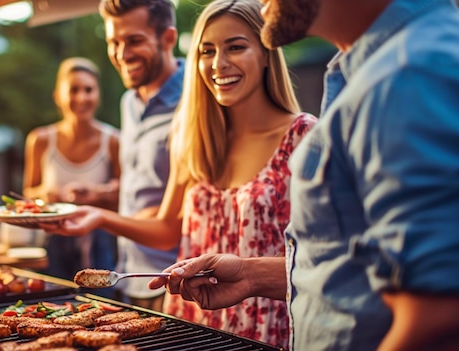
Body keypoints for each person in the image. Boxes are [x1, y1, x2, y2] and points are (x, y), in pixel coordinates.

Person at [149, 0, 459, 350]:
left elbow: (440, 317)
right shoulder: (371, 71)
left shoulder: (412, 71)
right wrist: (250, 275)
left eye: (235, 46)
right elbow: (348, 272)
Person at [43, 0, 316, 346]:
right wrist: (95, 215)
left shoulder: (305, 138)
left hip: (264, 330)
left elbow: (328, 263)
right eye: (206, 50)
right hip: (188, 328)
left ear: (266, 53)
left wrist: (250, 273)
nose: (218, 63)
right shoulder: (193, 136)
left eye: (235, 47)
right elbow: (166, 229)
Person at [83, 0, 186, 311]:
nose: (121, 54)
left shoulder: (196, 100)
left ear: (168, 38)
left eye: (134, 41)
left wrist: (99, 218)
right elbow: (145, 186)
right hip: (126, 276)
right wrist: (101, 196)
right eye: (113, 42)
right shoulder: (129, 101)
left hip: (173, 286)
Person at [23, 57, 120, 288]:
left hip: (100, 243)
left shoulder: (114, 141)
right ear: (58, 95)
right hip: (52, 243)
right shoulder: (40, 140)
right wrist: (47, 195)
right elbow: (28, 193)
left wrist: (98, 194)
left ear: (98, 94)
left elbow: (125, 196)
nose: (81, 97)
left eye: (89, 89)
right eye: (73, 90)